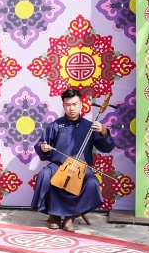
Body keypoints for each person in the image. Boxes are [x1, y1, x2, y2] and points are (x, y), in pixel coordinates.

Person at [31, 88, 114, 232]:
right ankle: (54, 214)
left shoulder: (90, 126)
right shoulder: (55, 125)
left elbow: (107, 147)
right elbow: (40, 144)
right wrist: (43, 148)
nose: (72, 108)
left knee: (92, 183)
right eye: (68, 104)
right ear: (63, 105)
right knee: (44, 175)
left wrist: (104, 131)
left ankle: (71, 216)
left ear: (81, 104)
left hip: (81, 168)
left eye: (75, 104)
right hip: (58, 165)